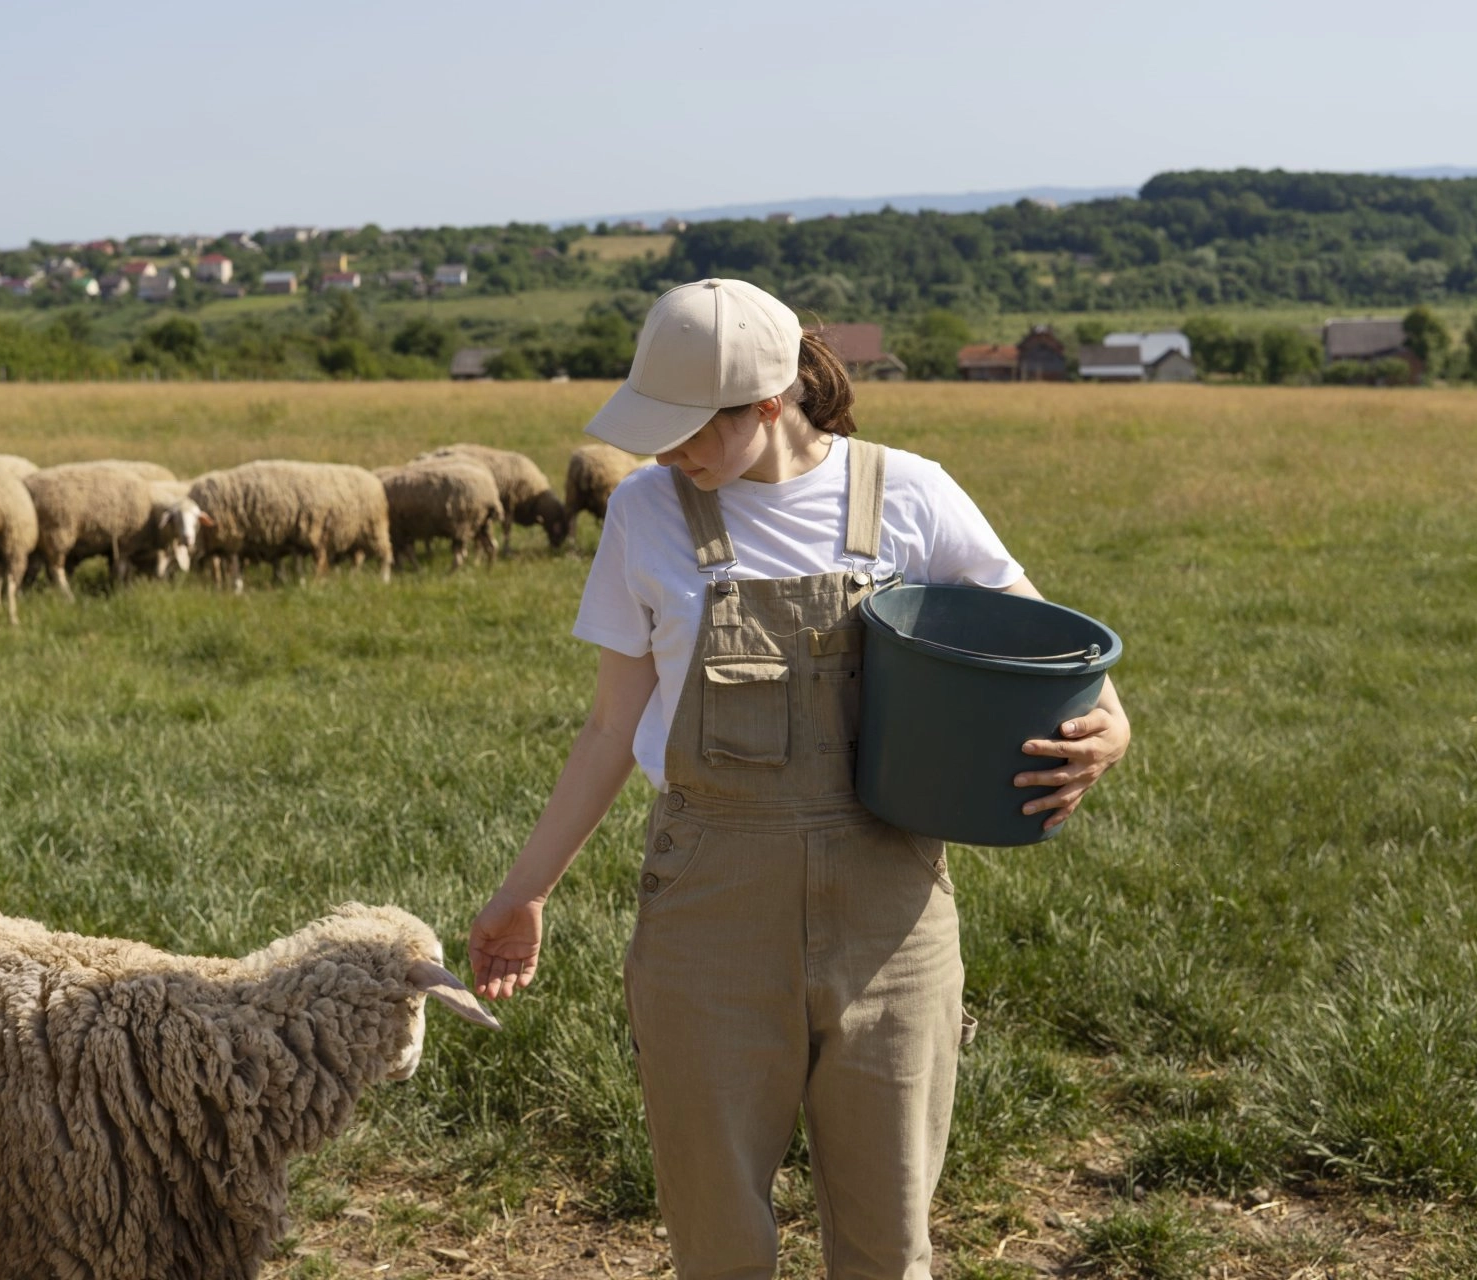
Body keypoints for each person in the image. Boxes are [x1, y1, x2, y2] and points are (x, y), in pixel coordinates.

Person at [468, 279, 1129, 1278]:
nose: (668, 455)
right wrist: (525, 891)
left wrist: (1109, 723)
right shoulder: (647, 512)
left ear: (770, 404)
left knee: (889, 1238)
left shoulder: (907, 491)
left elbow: (1047, 646)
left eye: (692, 431)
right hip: (708, 911)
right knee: (718, 1235)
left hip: (890, 915)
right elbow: (611, 723)